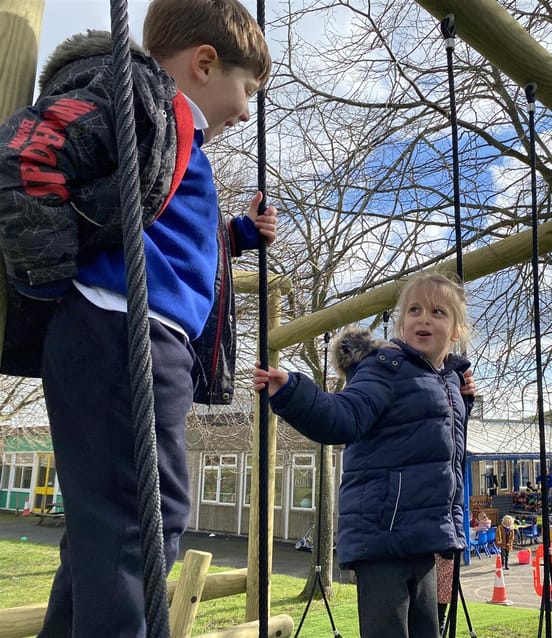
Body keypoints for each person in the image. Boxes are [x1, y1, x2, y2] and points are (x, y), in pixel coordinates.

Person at [0, 2, 275, 636]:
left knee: (111, 527)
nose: (246, 111)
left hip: (140, 335)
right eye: (247, 89)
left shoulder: (172, 134)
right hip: (123, 328)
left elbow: (164, 234)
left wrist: (237, 235)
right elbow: (31, 153)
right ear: (204, 64)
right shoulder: (144, 106)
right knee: (142, 521)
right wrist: (50, 276)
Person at [252, 272, 476, 638]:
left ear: (455, 331)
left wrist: (463, 402)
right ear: (401, 323)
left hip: (427, 535)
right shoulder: (385, 368)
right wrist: (293, 393)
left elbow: (441, 443)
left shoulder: (449, 381)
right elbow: (344, 416)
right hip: (383, 534)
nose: (423, 319)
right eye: (414, 310)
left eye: (437, 312)